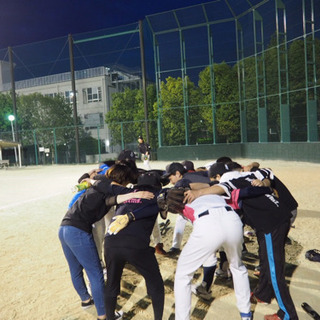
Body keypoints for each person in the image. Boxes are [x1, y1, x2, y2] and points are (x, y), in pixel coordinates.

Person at [184, 162, 299, 320]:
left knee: (274, 270)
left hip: (272, 223)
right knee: (265, 259)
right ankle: (263, 294)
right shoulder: (248, 177)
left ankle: (287, 314)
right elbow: (213, 184)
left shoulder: (233, 183)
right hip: (275, 219)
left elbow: (218, 187)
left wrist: (198, 193)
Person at [58, 161, 153, 320]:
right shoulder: (105, 183)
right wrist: (135, 194)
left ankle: (86, 300)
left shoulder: (102, 186)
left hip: (64, 228)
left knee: (75, 269)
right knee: (95, 273)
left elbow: (113, 199)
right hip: (78, 231)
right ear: (122, 180)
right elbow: (114, 190)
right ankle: (104, 315)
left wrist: (89, 175)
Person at [159, 187, 252, 320]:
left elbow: (207, 233)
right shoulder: (204, 192)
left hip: (208, 223)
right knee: (237, 266)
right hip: (233, 219)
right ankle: (246, 314)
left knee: (183, 275)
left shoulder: (183, 206)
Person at [102, 169, 165, 320]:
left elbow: (107, 199)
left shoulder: (127, 193)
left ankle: (110, 317)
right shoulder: (156, 195)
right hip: (135, 244)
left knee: (111, 284)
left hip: (111, 241)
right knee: (156, 284)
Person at [162, 162, 210, 255]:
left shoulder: (181, 183)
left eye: (170, 177)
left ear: (178, 174)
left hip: (206, 212)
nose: (170, 181)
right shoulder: (198, 174)